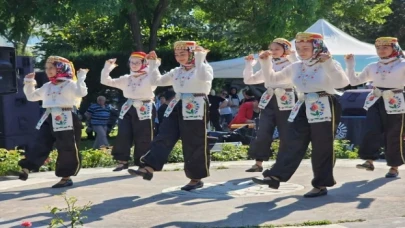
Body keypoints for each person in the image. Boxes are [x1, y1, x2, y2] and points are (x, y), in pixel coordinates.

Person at [252, 32, 349, 198]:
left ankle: (320, 184)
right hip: (303, 104)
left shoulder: (328, 62)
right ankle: (276, 176)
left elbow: (342, 83)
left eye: (306, 48)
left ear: (317, 47)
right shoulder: (296, 65)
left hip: (324, 103)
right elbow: (272, 81)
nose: (301, 51)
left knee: (321, 146)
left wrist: (328, 64)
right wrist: (265, 62)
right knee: (291, 139)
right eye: (298, 48)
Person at [128, 41, 213, 191]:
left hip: (196, 103)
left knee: (194, 141)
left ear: (192, 53)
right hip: (178, 103)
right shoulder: (177, 71)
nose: (179, 57)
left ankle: (196, 178)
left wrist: (200, 57)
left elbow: (202, 77)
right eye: (176, 54)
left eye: (183, 54)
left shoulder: (204, 67)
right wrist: (153, 64)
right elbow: (156, 81)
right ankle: (149, 167)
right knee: (164, 135)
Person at [17, 56, 88, 188]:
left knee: (66, 147)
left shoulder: (70, 84)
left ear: (61, 68)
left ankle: (66, 177)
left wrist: (81, 78)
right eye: (46, 68)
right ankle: (26, 168)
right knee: (40, 142)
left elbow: (81, 93)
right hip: (49, 116)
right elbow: (32, 97)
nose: (48, 70)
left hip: (66, 116)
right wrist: (29, 82)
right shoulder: (47, 86)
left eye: (51, 67)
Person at [345, 37, 405, 178]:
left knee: (393, 134)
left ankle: (394, 167)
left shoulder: (402, 64)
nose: (381, 51)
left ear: (394, 48)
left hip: (395, 99)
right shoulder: (373, 66)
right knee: (371, 130)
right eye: (378, 48)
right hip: (376, 99)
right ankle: (369, 160)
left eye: (385, 47)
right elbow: (354, 81)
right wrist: (350, 65)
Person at [243, 38, 298, 172]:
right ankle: (258, 163)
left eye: (277, 49)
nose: (273, 52)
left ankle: (283, 163)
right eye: (271, 49)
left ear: (286, 49)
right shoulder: (269, 63)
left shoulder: (293, 63)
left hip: (286, 99)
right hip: (269, 99)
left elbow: (276, 77)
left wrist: (266, 63)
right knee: (262, 131)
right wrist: (250, 64)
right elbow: (249, 80)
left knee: (286, 133)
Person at [101, 52, 157, 172]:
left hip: (145, 106)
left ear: (144, 63)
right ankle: (123, 161)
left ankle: (143, 163)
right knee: (123, 133)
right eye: (132, 62)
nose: (134, 65)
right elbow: (106, 81)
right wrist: (107, 68)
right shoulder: (126, 78)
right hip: (129, 106)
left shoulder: (150, 77)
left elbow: (156, 80)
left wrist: (153, 64)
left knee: (144, 136)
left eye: (137, 62)